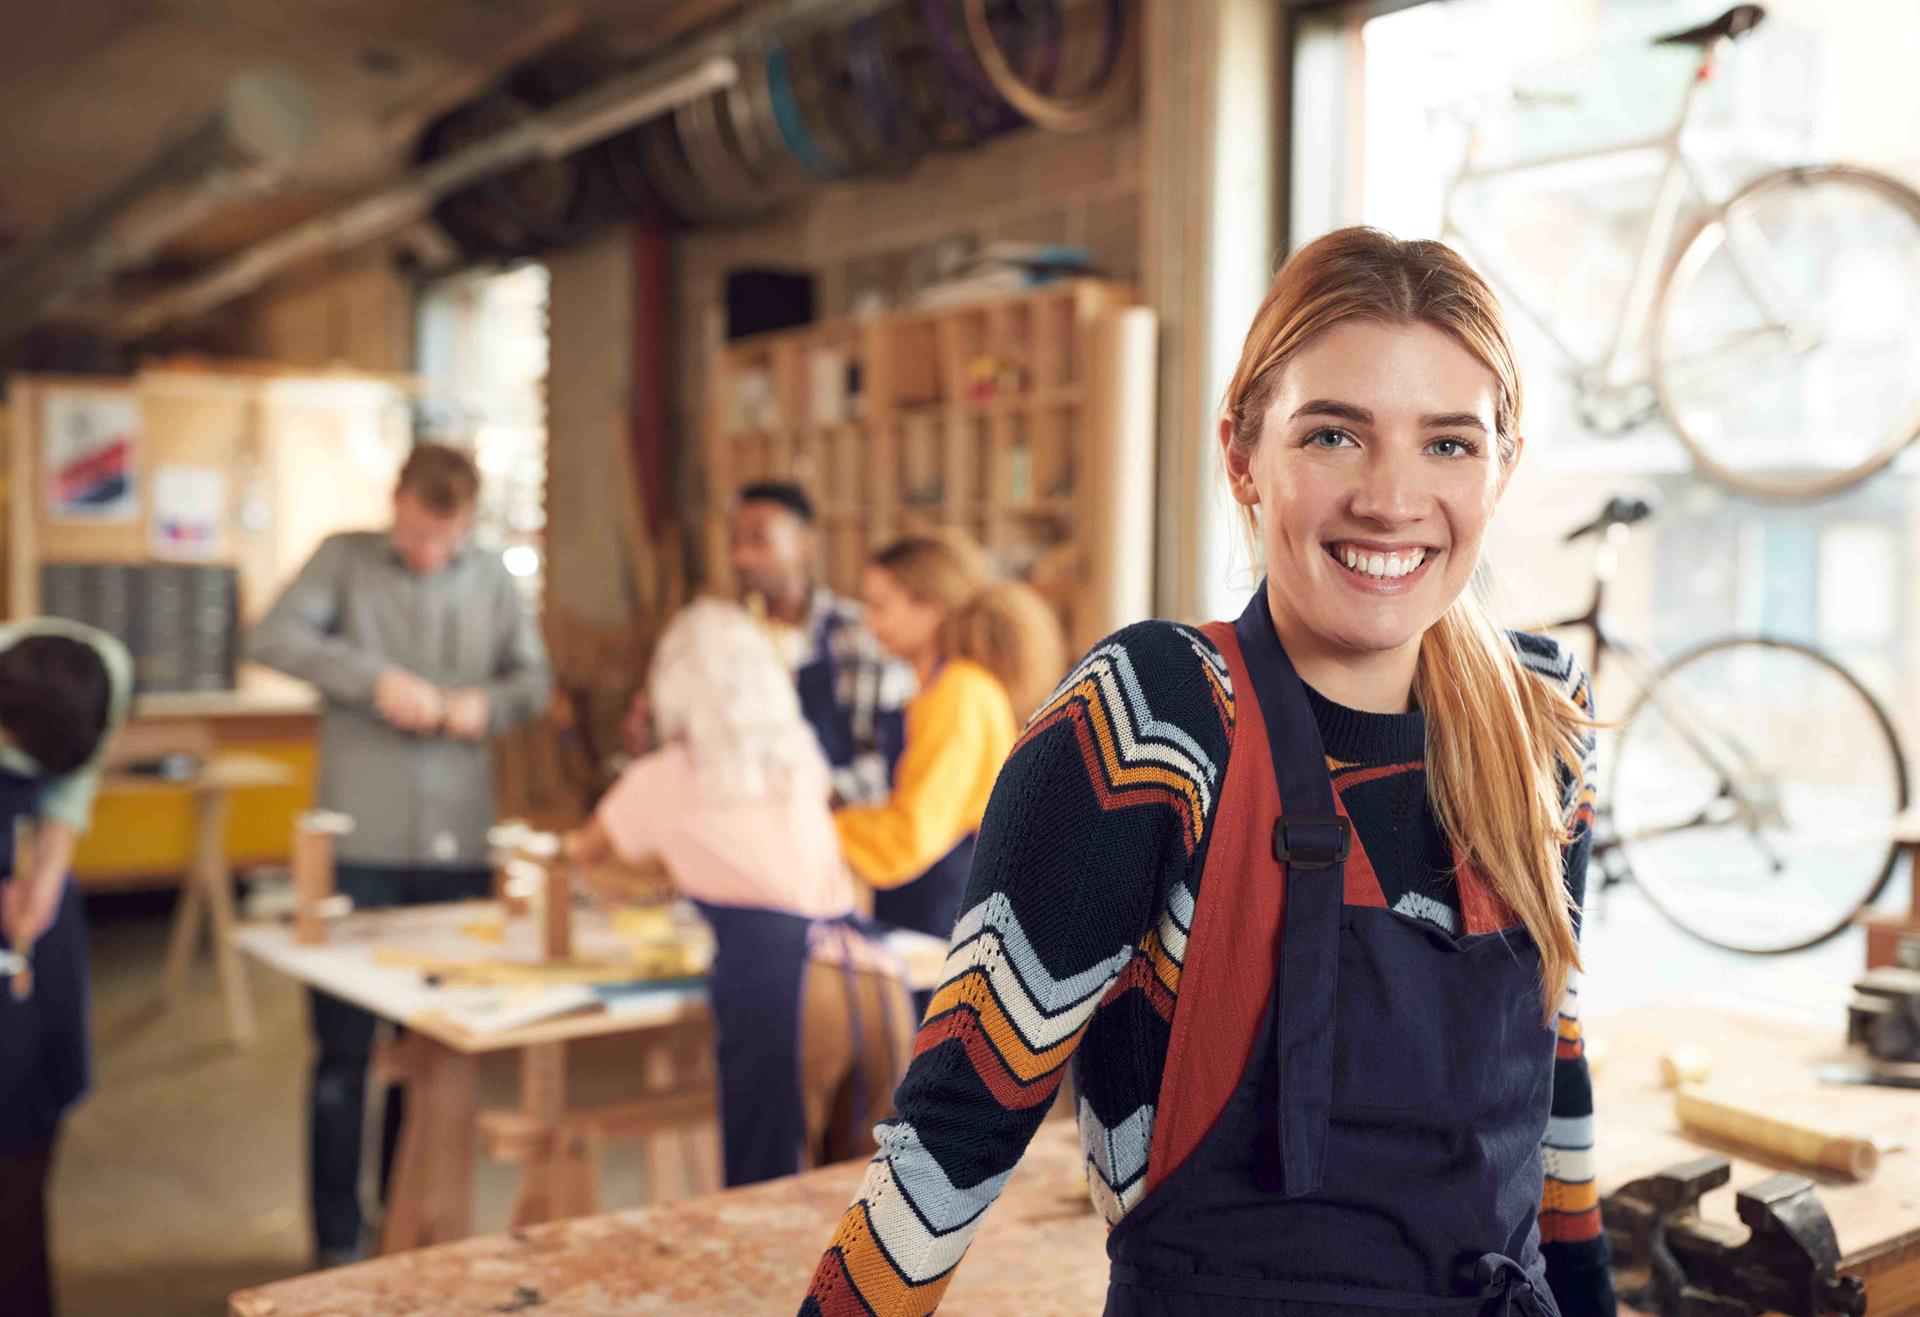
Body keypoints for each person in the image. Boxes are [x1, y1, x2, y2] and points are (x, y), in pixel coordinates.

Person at [802, 228, 1615, 1317]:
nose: (1390, 497)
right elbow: (952, 1136)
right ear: (1242, 454)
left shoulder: (1541, 716)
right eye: (1334, 435)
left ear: (1502, 469)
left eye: (1448, 445)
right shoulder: (1156, 720)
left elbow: (1553, 1071)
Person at [248, 443, 552, 1266]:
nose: (428, 555)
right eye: (417, 536)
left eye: (443, 541)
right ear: (398, 502)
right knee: (344, 1052)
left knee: (429, 1050)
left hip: (455, 843)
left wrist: (481, 705)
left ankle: (404, 1222)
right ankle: (335, 1238)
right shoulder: (342, 560)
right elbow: (269, 637)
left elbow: (535, 683)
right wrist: (370, 679)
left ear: (467, 522)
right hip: (360, 842)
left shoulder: (490, 576)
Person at [566, 599, 913, 1187]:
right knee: (869, 1213)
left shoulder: (665, 775)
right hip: (879, 982)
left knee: (770, 1208)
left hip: (793, 992)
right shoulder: (801, 768)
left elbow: (583, 858)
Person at [832, 532, 1065, 950]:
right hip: (926, 901)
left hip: (944, 915)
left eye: (880, 607)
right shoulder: (937, 688)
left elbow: (912, 830)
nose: (869, 623)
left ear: (931, 609)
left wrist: (819, 831)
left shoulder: (960, 693)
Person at [0, 622, 132, 1317]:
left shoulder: (104, 663)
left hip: (27, 925)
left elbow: (69, 792)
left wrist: (46, 876)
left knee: (29, 1109)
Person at [728, 482, 912, 806]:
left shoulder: (861, 635)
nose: (741, 557)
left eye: (758, 540)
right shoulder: (726, 641)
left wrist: (811, 795)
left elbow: (885, 764)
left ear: (804, 543)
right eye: (735, 542)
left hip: (835, 830)